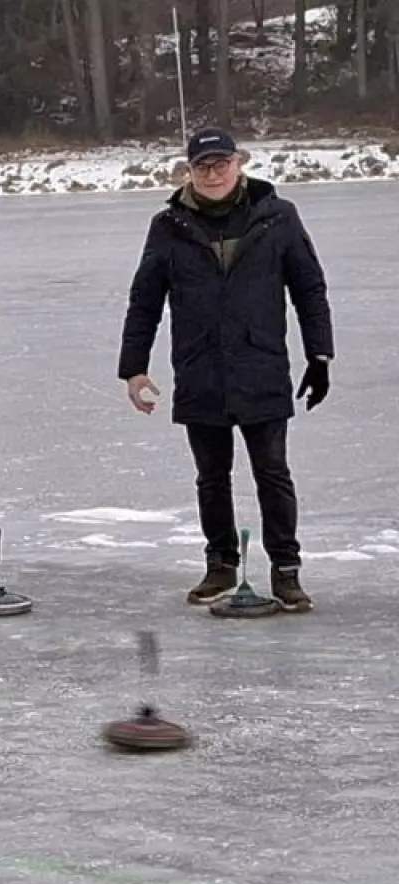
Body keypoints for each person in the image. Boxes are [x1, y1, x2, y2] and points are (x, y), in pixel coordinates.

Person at [117, 126, 333, 612]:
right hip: (200, 369)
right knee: (211, 476)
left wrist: (320, 356)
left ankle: (286, 569)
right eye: (202, 166)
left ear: (240, 165)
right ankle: (221, 565)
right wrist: (134, 368)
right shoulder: (168, 225)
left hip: (261, 364)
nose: (212, 174)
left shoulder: (278, 218)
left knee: (272, 472)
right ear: (188, 171)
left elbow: (309, 288)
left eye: (221, 164)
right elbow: (144, 300)